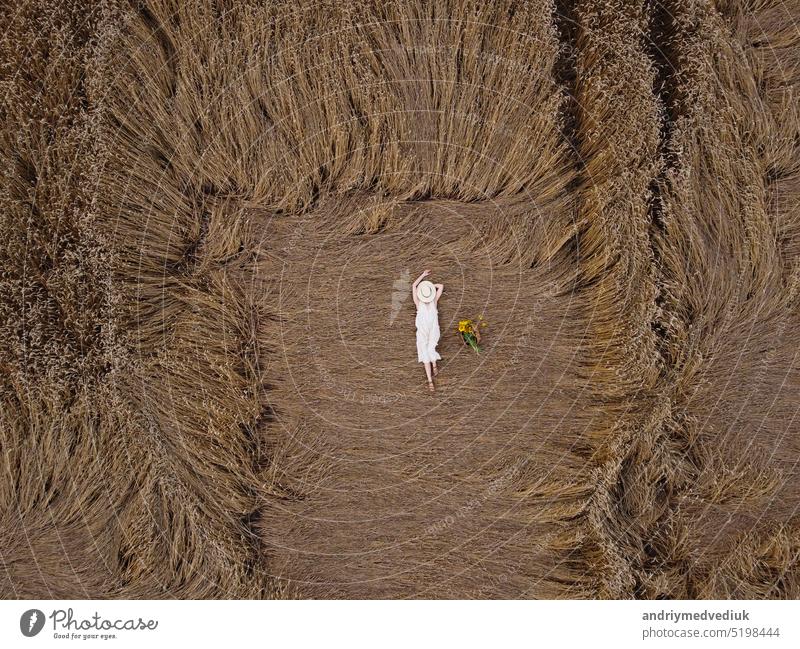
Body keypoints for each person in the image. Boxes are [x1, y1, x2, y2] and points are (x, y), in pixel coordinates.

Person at [412, 270, 443, 392]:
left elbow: (440, 286)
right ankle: (430, 379)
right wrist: (424, 279)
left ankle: (434, 366)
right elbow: (414, 286)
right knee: (425, 353)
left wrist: (427, 285)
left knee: (429, 349)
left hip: (432, 329)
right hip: (424, 332)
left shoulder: (432, 301)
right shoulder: (419, 304)